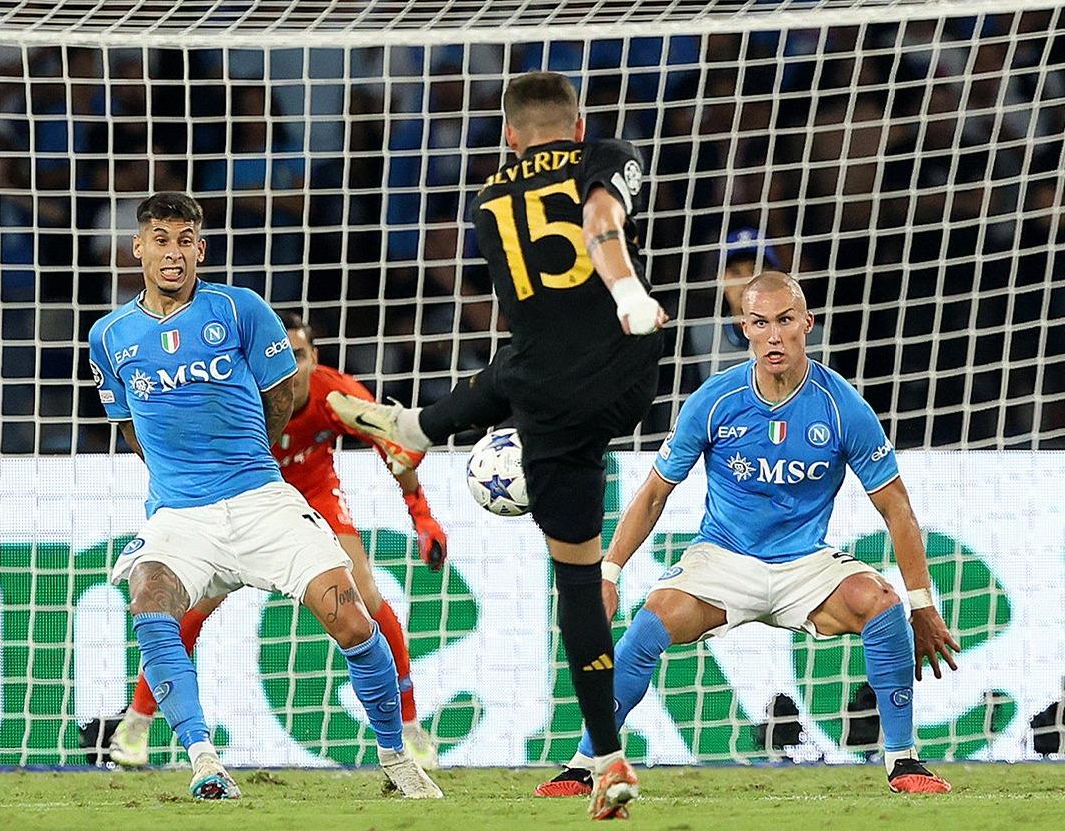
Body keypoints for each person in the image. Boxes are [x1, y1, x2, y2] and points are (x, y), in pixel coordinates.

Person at [329, 71, 667, 820]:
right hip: (625, 372)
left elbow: (578, 243)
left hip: (546, 401)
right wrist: (627, 293)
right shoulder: (603, 154)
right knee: (520, 366)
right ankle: (416, 428)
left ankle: (607, 760)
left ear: (510, 136)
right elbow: (603, 213)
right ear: (577, 126)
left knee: (577, 585)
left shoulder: (485, 202)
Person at [538, 271, 958, 797]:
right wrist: (609, 573)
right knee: (648, 624)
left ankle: (903, 760)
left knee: (882, 603)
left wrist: (922, 603)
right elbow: (652, 494)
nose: (775, 335)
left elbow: (897, 508)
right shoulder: (715, 400)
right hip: (723, 560)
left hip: (805, 564)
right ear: (745, 329)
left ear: (807, 323)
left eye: (786, 321)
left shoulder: (840, 405)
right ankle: (585, 762)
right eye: (762, 323)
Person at [87, 192, 442, 801]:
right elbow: (130, 425)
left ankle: (397, 753)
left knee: (355, 618)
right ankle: (200, 760)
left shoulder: (242, 309)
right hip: (182, 516)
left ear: (201, 248)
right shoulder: (109, 336)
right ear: (138, 246)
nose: (173, 253)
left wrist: (420, 512)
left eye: (185, 240)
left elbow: (284, 401)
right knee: (152, 604)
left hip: (265, 501)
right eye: (161, 239)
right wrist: (181, 480)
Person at [687, 226, 823, 384]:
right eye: (736, 272)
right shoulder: (702, 336)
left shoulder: (813, 338)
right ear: (721, 279)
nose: (746, 281)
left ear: (774, 276)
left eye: (754, 270)